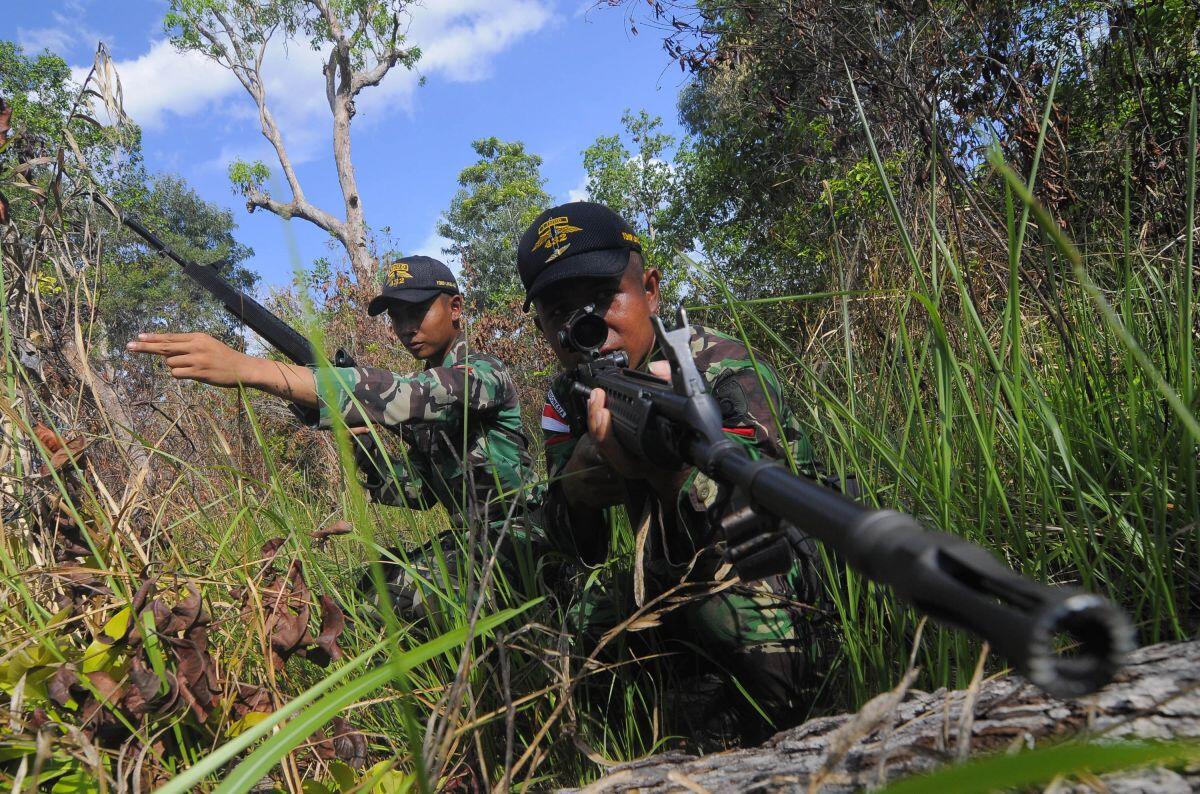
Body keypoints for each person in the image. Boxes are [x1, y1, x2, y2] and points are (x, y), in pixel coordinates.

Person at [517, 201, 831, 741]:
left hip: (775, 561)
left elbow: (765, 512)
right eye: (559, 313)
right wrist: (578, 492)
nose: (585, 327)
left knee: (769, 652)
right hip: (664, 573)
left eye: (602, 298)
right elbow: (573, 547)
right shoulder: (566, 400)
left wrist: (671, 474)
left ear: (651, 291)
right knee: (555, 639)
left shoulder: (722, 367)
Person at [129, 255, 540, 618]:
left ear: (456, 308)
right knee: (368, 584)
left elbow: (407, 395)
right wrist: (361, 443)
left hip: (524, 538)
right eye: (396, 316)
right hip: (473, 541)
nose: (405, 327)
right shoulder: (430, 396)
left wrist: (252, 369)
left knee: (384, 603)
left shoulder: (485, 374)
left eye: (417, 311)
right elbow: (415, 493)